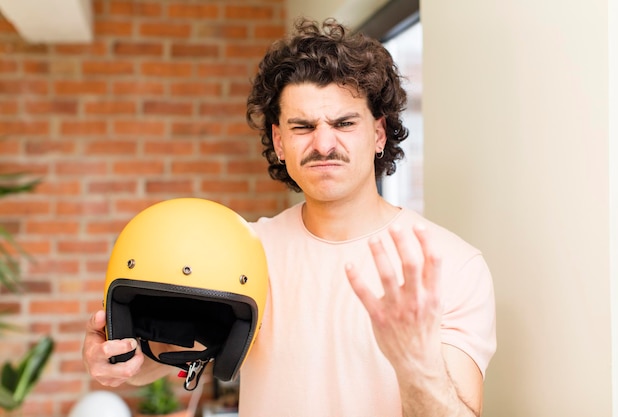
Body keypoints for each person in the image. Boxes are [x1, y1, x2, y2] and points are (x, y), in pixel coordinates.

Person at [83, 18, 496, 416]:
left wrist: (413, 361)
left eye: (344, 123)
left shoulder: (451, 265)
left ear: (379, 133)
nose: (323, 143)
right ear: (279, 142)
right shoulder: (244, 252)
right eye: (302, 126)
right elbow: (180, 353)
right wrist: (124, 361)